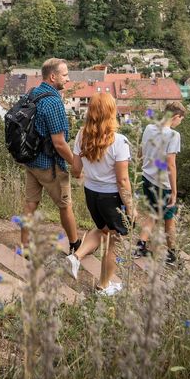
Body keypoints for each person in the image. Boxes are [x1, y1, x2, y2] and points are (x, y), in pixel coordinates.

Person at [66, 92, 135, 296]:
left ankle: (76, 257)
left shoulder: (81, 135)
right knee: (115, 241)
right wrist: (130, 207)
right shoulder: (119, 141)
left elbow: (76, 169)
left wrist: (88, 175)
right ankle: (103, 286)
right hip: (112, 197)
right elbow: (123, 180)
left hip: (92, 194)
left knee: (103, 230)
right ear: (111, 112)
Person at [21, 58, 80, 254]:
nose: (68, 79)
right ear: (53, 76)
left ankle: (25, 246)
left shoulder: (33, 93)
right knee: (65, 205)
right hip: (50, 165)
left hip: (31, 160)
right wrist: (75, 163)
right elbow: (59, 143)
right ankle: (75, 244)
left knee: (31, 203)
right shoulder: (53, 102)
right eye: (65, 75)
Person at [134, 101, 187, 265]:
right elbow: (171, 164)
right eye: (181, 120)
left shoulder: (149, 128)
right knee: (169, 218)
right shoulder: (173, 135)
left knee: (153, 213)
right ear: (176, 116)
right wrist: (174, 191)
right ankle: (172, 255)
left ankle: (140, 246)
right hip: (163, 183)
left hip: (147, 177)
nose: (180, 123)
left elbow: (141, 152)